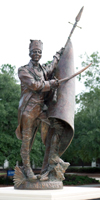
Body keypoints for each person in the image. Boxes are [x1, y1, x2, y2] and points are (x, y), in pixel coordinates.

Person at [15, 40, 63, 180]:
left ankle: (53, 158)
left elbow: (51, 67)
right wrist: (50, 84)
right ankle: (28, 170)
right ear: (30, 53)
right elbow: (35, 85)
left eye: (39, 52)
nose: (37, 54)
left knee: (57, 127)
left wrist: (58, 55)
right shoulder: (23, 70)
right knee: (27, 141)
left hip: (41, 110)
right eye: (35, 51)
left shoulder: (42, 69)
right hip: (28, 111)